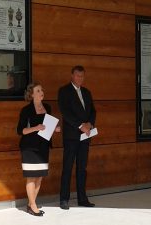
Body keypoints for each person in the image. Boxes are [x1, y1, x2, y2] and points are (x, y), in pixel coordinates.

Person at [17, 82, 60, 216]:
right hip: (29, 147)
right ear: (31, 94)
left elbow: (48, 126)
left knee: (39, 177)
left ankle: (31, 204)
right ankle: (33, 205)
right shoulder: (26, 110)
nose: (41, 92)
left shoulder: (47, 107)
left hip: (43, 146)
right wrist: (36, 128)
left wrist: (55, 129)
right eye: (38, 90)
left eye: (42, 90)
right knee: (31, 177)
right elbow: (20, 130)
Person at [58, 65, 96, 210]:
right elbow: (65, 112)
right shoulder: (64, 91)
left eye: (82, 76)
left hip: (85, 136)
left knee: (82, 168)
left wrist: (90, 124)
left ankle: (82, 198)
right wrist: (81, 125)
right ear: (72, 76)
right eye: (77, 76)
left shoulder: (87, 92)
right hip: (71, 136)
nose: (80, 78)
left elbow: (93, 111)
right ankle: (64, 199)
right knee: (67, 167)